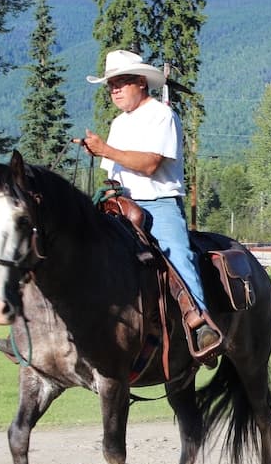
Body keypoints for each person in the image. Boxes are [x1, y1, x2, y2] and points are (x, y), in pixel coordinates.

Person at [82, 49, 220, 356]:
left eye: (121, 81)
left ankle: (199, 323)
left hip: (158, 204)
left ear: (141, 82)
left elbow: (149, 165)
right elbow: (115, 173)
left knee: (177, 255)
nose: (114, 89)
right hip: (121, 206)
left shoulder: (162, 115)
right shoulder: (119, 123)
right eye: (111, 84)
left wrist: (105, 149)